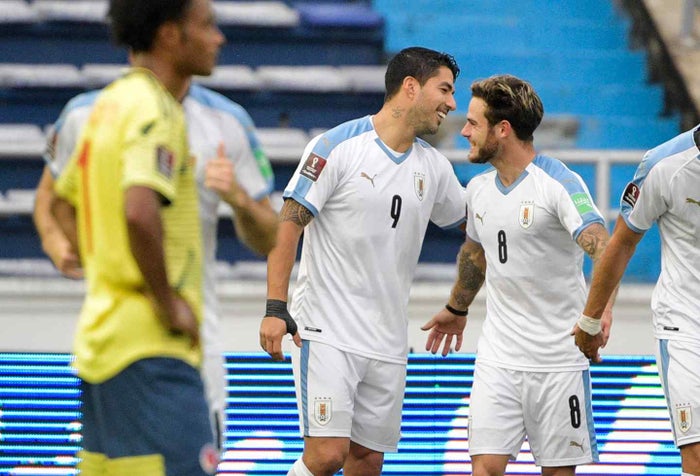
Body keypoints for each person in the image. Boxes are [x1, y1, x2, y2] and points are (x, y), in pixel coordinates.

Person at [34, 82, 279, 452]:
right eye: (206, 28)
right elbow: (52, 199)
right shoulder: (88, 112)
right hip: (119, 337)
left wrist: (239, 198)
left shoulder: (226, 121)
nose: (216, 47)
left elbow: (268, 237)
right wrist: (57, 242)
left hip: (193, 345)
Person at [258, 46, 466, 476]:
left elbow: (476, 228)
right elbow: (288, 224)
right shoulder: (337, 146)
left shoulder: (434, 167)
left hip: (388, 339)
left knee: (367, 461)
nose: (451, 103)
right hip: (327, 329)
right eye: (444, 90)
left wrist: (459, 304)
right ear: (411, 87)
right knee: (326, 455)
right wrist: (276, 307)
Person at [48, 0, 226, 474]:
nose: (218, 38)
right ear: (170, 34)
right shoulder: (157, 108)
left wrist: (106, 264)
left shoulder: (108, 104)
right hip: (151, 348)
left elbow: (60, 203)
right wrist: (166, 303)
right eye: (206, 25)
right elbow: (139, 211)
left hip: (103, 341)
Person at [423, 74, 613, 476]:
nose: (465, 132)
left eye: (473, 123)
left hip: (558, 363)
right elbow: (476, 252)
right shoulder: (478, 189)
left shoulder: (558, 184)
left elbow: (604, 249)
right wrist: (456, 308)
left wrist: (595, 317)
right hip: (499, 360)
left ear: (503, 129)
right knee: (485, 468)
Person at [573, 126, 700, 475]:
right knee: (697, 453)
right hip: (686, 325)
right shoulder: (664, 164)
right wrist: (592, 318)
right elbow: (622, 243)